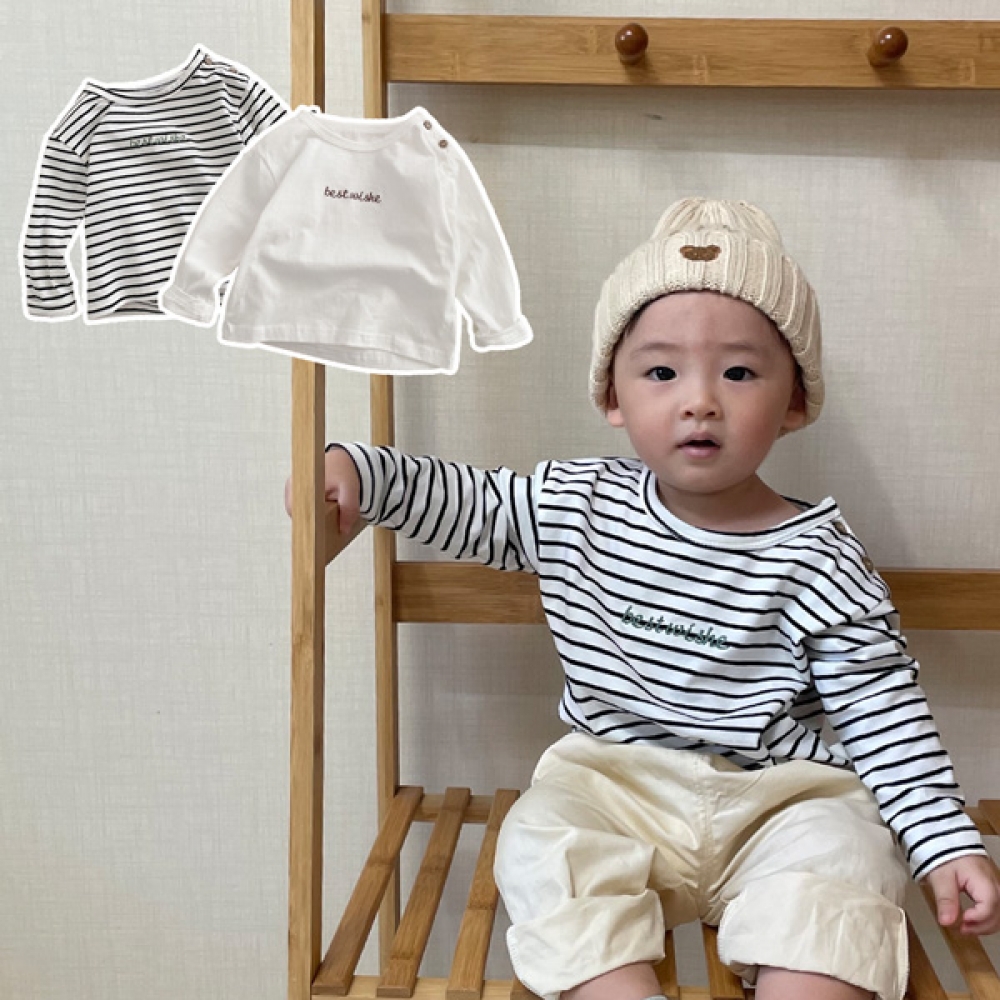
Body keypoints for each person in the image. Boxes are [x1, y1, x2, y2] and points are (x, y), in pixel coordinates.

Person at [284, 198, 999, 1000]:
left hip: (779, 800)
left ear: (795, 402)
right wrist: (360, 471)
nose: (700, 401)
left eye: (739, 372)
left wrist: (945, 842)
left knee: (847, 858)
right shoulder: (576, 505)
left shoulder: (821, 556)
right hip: (615, 785)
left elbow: (883, 712)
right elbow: (467, 500)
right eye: (662, 372)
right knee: (541, 840)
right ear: (614, 398)